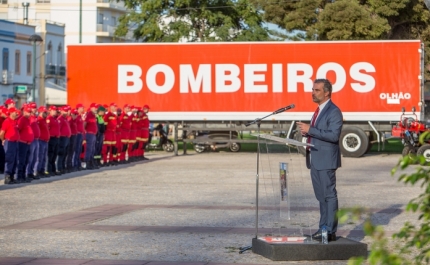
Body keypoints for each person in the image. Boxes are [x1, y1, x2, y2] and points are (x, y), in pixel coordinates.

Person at [296, 78, 343, 242]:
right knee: (321, 197)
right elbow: (319, 132)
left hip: (326, 160)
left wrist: (311, 130)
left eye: (317, 90)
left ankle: (330, 231)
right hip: (315, 159)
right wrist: (307, 133)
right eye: (313, 89)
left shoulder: (334, 111)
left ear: (327, 92)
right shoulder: (318, 110)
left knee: (329, 196)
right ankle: (323, 228)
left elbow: (333, 135)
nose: (313, 93)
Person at [0, 107, 20, 184]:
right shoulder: (7, 121)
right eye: (15, 112)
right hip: (9, 142)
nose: (17, 113)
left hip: (15, 142)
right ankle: (7, 176)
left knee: (15, 160)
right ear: (11, 113)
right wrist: (3, 139)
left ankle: (12, 176)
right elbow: (2, 133)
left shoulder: (15, 121)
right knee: (9, 159)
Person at [17, 105, 34, 183]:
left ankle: (23, 176)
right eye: (28, 112)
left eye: (30, 112)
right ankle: (19, 176)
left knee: (26, 160)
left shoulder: (27, 120)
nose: (29, 114)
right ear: (24, 112)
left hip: (27, 143)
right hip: (22, 143)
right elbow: (18, 130)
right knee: (21, 160)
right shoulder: (22, 119)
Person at [26, 102, 40, 180]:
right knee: (30, 157)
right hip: (31, 139)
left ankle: (31, 172)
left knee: (35, 157)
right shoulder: (29, 117)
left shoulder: (35, 117)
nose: (34, 109)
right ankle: (28, 172)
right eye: (33, 108)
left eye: (35, 107)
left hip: (36, 139)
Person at [35, 106, 49, 178]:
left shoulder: (44, 120)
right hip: (41, 140)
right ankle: (38, 171)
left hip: (45, 141)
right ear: (40, 112)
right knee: (39, 157)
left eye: (46, 112)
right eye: (44, 112)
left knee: (44, 157)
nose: (46, 113)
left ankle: (42, 170)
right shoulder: (39, 120)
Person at [57, 106, 71, 174]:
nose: (66, 112)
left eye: (67, 111)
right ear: (61, 111)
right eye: (65, 111)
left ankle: (62, 166)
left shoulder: (65, 119)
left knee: (65, 153)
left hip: (66, 137)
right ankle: (60, 167)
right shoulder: (60, 119)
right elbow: (58, 129)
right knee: (61, 153)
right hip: (62, 138)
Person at [47, 105, 60, 176]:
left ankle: (53, 169)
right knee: (51, 154)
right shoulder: (49, 118)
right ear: (50, 111)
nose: (55, 111)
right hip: (51, 138)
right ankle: (49, 169)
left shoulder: (56, 119)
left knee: (55, 154)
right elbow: (47, 128)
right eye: (54, 110)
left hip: (56, 138)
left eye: (55, 110)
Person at [84, 103, 98, 170]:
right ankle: (87, 163)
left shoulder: (93, 115)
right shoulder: (89, 115)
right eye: (95, 107)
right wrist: (84, 133)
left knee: (93, 149)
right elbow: (84, 124)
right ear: (91, 107)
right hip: (89, 134)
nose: (96, 109)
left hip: (93, 134)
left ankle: (91, 162)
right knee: (89, 149)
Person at [74, 104, 85, 171]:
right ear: (78, 108)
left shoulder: (80, 116)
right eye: (82, 108)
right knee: (76, 150)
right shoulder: (76, 116)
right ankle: (75, 164)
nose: (83, 109)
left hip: (81, 135)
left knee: (79, 150)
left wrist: (83, 137)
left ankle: (78, 164)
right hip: (77, 135)